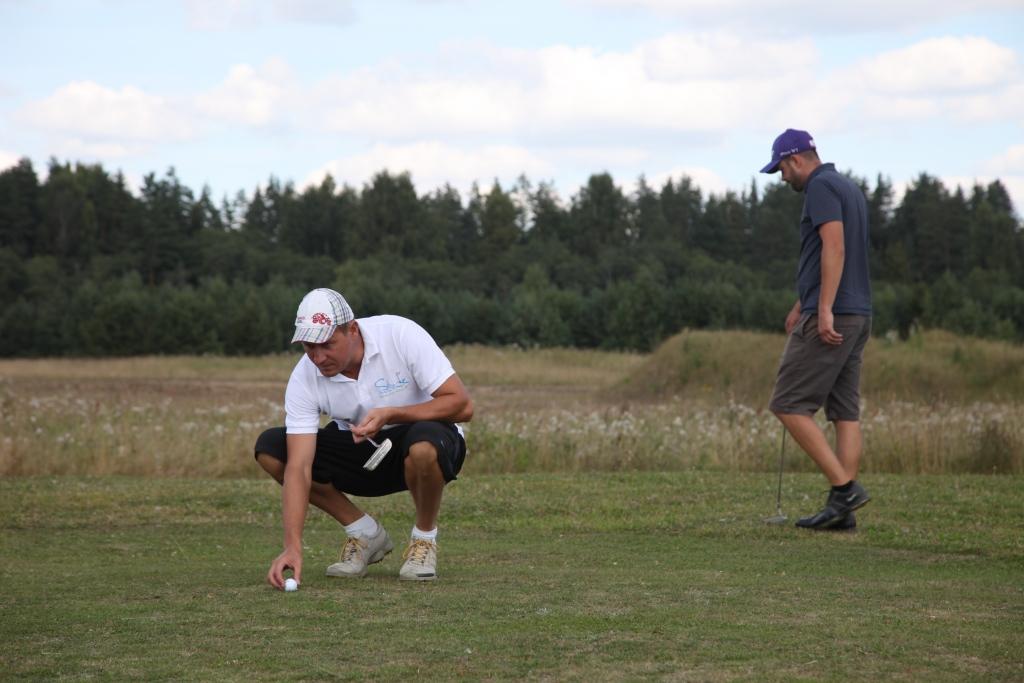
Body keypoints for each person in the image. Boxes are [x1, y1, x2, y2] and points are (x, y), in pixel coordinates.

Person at [255, 288, 473, 588]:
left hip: (429, 445)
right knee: (272, 448)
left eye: (327, 344)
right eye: (308, 347)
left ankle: (424, 540)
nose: (318, 357)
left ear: (353, 330)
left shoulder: (399, 334)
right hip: (363, 451)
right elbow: (299, 467)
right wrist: (292, 545)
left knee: (424, 444)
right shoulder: (304, 376)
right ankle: (365, 532)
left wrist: (392, 414)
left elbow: (463, 405)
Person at [760, 129, 872, 531]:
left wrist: (822, 309)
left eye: (781, 170)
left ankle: (844, 489)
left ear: (796, 159)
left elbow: (835, 248)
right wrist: (802, 302)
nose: (782, 178)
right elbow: (827, 256)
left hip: (835, 312)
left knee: (787, 403)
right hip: (858, 312)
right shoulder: (848, 187)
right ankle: (841, 513)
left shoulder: (820, 187)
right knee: (844, 411)